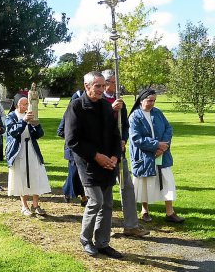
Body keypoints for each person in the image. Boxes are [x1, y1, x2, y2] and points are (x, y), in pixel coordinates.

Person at [65, 71, 123, 259]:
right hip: (88, 163)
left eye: (103, 86)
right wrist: (96, 156)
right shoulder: (76, 107)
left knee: (107, 204)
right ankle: (86, 239)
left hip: (108, 162)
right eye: (97, 85)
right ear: (86, 86)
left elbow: (116, 135)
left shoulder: (107, 107)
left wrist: (115, 156)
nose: (101, 89)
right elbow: (72, 140)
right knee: (96, 201)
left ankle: (103, 243)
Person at [101, 69, 149, 237]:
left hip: (118, 152)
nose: (116, 85)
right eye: (114, 82)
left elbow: (125, 125)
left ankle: (131, 225)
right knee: (105, 191)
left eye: (117, 82)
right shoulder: (98, 101)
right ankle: (104, 228)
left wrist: (124, 139)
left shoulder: (119, 101)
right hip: (103, 154)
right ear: (106, 83)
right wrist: (111, 110)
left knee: (127, 187)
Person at [128, 88, 184, 223]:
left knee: (167, 180)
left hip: (162, 155)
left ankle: (170, 213)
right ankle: (145, 211)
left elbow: (168, 128)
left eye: (154, 101)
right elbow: (136, 138)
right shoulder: (135, 116)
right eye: (149, 101)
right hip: (144, 156)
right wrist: (156, 145)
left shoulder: (157, 112)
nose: (152, 103)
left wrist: (164, 146)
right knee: (144, 182)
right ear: (141, 101)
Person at [6, 94, 51, 216]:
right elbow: (13, 132)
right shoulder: (11, 116)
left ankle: (35, 204)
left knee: (36, 174)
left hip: (32, 148)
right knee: (22, 177)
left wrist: (36, 124)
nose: (27, 106)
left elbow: (39, 134)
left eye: (27, 104)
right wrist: (24, 121)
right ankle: (24, 206)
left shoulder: (31, 115)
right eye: (24, 104)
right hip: (19, 150)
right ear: (17, 105)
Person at [57, 90, 88, 207]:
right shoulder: (69, 113)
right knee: (74, 174)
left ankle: (81, 195)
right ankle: (71, 192)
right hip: (72, 149)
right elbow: (60, 131)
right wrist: (73, 136)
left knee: (82, 173)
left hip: (84, 149)